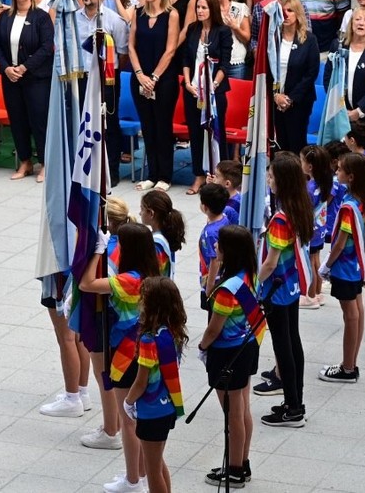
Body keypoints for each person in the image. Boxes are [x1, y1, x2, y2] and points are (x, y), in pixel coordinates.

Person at [80, 222, 160, 493]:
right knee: (136, 418)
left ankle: (133, 480)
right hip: (145, 351)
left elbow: (87, 283)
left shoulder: (129, 280)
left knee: (128, 420)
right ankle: (138, 474)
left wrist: (99, 253)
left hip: (126, 353)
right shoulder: (152, 272)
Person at [199, 224, 264, 487]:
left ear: (228, 250)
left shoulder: (228, 290)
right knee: (242, 408)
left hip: (227, 354)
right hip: (247, 347)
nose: (215, 247)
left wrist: (202, 346)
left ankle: (235, 470)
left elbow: (214, 328)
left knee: (232, 414)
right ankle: (242, 462)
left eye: (219, 245)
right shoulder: (250, 274)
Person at [256, 155, 313, 428]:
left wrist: (256, 284)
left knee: (283, 347)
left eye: (271, 177)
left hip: (276, 289)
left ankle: (292, 408)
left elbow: (271, 261)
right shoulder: (298, 207)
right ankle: (296, 401)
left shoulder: (280, 218)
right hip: (290, 286)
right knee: (293, 342)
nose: (268, 180)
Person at [316, 152, 365, 383]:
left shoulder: (348, 207)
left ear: (351, 177)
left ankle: (347, 367)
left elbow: (341, 243)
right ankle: (351, 363)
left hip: (345, 267)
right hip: (357, 266)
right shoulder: (364, 200)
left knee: (350, 315)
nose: (337, 172)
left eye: (340, 169)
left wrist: (326, 265)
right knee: (358, 310)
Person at [79, 197, 134, 450]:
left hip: (107, 317)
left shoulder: (110, 247)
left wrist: (96, 252)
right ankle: (113, 425)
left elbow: (90, 283)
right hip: (121, 319)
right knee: (107, 375)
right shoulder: (130, 241)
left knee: (104, 376)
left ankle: (111, 430)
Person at [124, 276, 187, 493]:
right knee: (158, 463)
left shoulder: (149, 341)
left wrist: (128, 401)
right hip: (167, 406)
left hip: (151, 411)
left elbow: (141, 381)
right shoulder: (171, 333)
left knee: (151, 470)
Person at [0, 0, 54, 183]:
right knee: (17, 120)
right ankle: (25, 162)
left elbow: (47, 48)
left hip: (36, 78)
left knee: (39, 121)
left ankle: (46, 163)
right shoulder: (5, 17)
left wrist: (25, 67)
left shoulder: (41, 17)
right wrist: (6, 68)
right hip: (11, 78)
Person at [76, 0, 130, 187]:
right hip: (83, 77)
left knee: (110, 124)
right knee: (84, 122)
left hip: (108, 79)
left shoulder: (113, 19)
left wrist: (111, 73)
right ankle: (85, 168)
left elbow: (122, 52)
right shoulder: (75, 18)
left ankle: (112, 171)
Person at [129, 0, 180, 193]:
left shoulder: (172, 15)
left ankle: (165, 176)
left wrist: (154, 78)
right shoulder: (137, 14)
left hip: (163, 80)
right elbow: (131, 46)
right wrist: (140, 74)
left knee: (162, 127)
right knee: (147, 127)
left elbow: (171, 50)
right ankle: (151, 174)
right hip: (140, 77)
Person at [181, 0, 232, 194]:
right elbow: (185, 59)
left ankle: (221, 176)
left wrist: (213, 86)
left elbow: (225, 63)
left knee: (216, 133)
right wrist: (186, 83)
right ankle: (199, 175)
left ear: (212, 9)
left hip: (214, 92)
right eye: (198, 8)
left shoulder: (223, 31)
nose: (200, 11)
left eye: (204, 7)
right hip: (193, 91)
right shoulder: (193, 29)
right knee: (195, 133)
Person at [271, 0, 319, 155]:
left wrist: (290, 99)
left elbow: (311, 73)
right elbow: (267, 70)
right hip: (275, 101)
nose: (286, 15)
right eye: (283, 11)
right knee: (279, 145)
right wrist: (276, 96)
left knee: (296, 144)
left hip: (299, 102)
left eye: (290, 11)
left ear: (298, 14)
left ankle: (298, 178)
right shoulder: (273, 38)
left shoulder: (309, 40)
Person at [323, 7, 365, 122]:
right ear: (351, 24)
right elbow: (328, 78)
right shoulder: (337, 46)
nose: (361, 23)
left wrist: (359, 111)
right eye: (357, 19)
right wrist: (338, 106)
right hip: (339, 112)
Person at [300, 145, 333, 309]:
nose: (300, 164)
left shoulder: (310, 188)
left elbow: (305, 208)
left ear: (310, 166)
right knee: (316, 260)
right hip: (320, 227)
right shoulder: (323, 183)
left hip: (312, 228)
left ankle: (310, 296)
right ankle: (318, 293)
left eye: (301, 161)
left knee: (310, 262)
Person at [210, 0, 250, 80]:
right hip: (216, 61)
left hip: (236, 62)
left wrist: (235, 27)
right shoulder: (209, 10)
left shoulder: (240, 7)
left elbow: (246, 38)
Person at [139, 190, 186, 279]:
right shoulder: (167, 231)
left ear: (151, 213)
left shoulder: (157, 243)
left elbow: (152, 272)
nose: (140, 213)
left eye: (142, 209)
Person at [197, 182, 230, 301]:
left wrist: (209, 286)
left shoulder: (211, 233)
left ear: (205, 207)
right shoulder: (224, 218)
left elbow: (214, 260)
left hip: (213, 280)